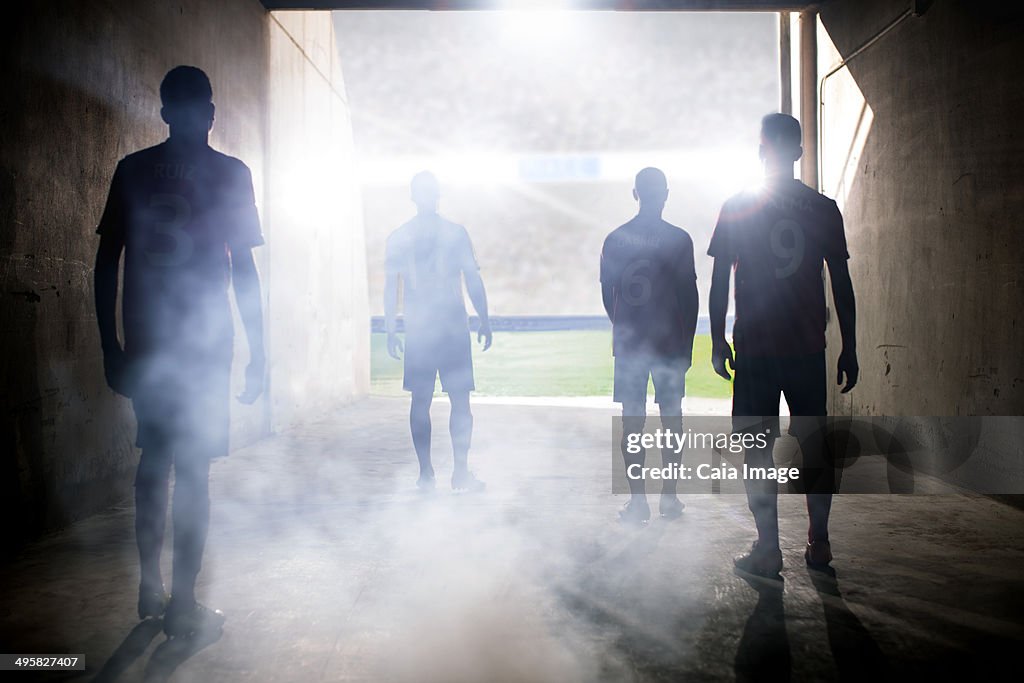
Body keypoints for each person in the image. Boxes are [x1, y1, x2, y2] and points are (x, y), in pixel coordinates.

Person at [94, 66, 265, 636]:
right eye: (204, 106)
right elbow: (244, 269)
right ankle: (184, 602)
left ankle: (150, 582)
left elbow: (104, 263)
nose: (204, 115)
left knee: (154, 460)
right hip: (205, 343)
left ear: (165, 112)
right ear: (209, 112)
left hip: (150, 338)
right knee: (193, 471)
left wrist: (110, 345)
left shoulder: (134, 169)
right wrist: (259, 349)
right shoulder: (230, 173)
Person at [708, 113, 858, 580]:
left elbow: (717, 281)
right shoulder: (824, 207)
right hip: (807, 347)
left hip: (756, 347)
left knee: (756, 449)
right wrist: (849, 345)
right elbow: (842, 283)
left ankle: (769, 549)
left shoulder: (738, 205)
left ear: (760, 151)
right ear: (798, 152)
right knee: (814, 446)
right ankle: (820, 543)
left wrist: (716, 338)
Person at [600, 167, 699, 525]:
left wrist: (627, 328)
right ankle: (669, 498)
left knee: (632, 422)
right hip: (669, 343)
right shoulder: (678, 238)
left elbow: (606, 296)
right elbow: (690, 297)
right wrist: (685, 344)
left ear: (634, 193)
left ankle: (638, 501)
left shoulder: (616, 238)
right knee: (672, 421)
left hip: (631, 344)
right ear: (666, 194)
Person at [384, 171, 492, 492]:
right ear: (437, 194)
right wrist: (483, 318)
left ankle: (426, 474)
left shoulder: (399, 236)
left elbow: (392, 288)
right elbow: (472, 279)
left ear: (412, 196)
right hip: (451, 327)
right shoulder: (455, 233)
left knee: (421, 401)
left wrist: (391, 329)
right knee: (460, 401)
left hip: (420, 329)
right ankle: (460, 472)